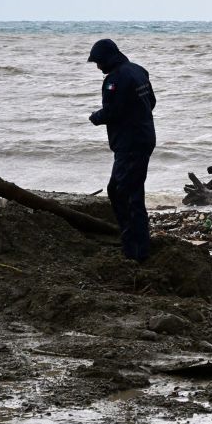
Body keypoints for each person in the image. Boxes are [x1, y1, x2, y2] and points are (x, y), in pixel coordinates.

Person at [87, 39, 157, 261]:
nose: (98, 67)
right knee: (130, 191)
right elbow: (151, 102)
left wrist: (95, 117)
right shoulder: (139, 71)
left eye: (98, 62)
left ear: (108, 58)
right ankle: (138, 245)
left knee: (122, 193)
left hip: (130, 144)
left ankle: (133, 249)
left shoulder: (114, 80)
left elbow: (112, 112)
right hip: (144, 138)